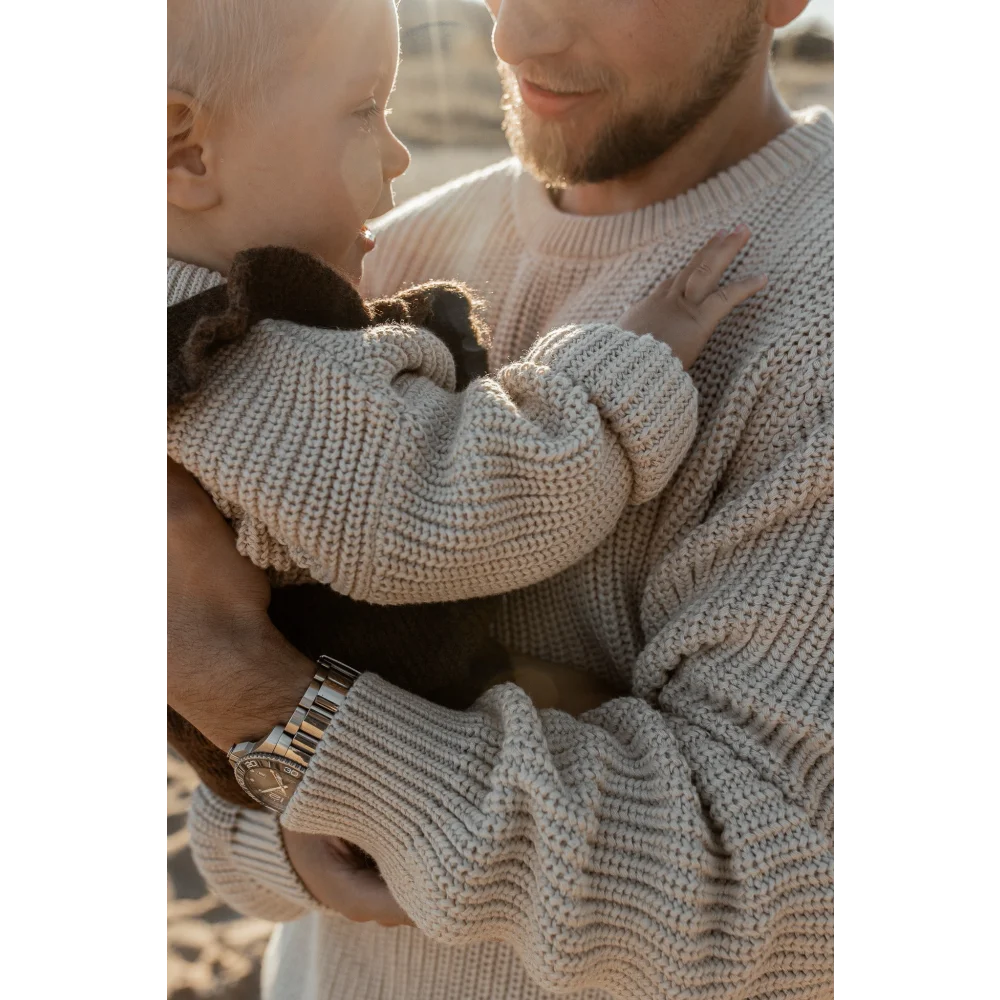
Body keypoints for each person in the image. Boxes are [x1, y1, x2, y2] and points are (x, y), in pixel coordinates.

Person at [166, 0, 835, 997]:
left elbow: (772, 898)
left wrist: (248, 689)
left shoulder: (816, 317)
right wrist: (280, 823)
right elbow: (240, 822)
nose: (517, 39)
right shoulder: (359, 251)